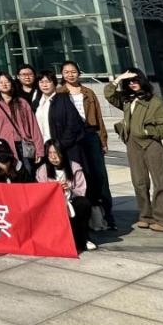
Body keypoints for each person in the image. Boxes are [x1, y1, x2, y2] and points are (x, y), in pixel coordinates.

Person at [105, 68, 163, 232]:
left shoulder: (154, 102)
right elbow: (109, 94)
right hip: (133, 145)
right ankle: (146, 216)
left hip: (151, 144)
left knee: (161, 182)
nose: (132, 83)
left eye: (136, 80)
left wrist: (147, 132)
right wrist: (119, 79)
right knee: (139, 182)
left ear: (142, 80)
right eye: (129, 81)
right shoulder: (127, 100)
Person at [60, 60, 115, 230]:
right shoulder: (59, 93)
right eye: (67, 72)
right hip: (71, 136)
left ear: (79, 73)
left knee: (99, 175)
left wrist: (103, 140)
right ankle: (84, 216)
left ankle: (107, 215)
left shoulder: (88, 93)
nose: (70, 75)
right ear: (62, 74)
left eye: (73, 71)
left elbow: (99, 118)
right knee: (79, 174)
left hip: (90, 133)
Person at [37, 140, 95, 251]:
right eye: (50, 153)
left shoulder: (74, 167)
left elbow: (81, 191)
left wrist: (69, 190)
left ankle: (83, 238)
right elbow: (40, 192)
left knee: (83, 203)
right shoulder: (43, 170)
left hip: (71, 201)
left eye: (56, 153)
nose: (53, 157)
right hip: (51, 204)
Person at [0, 72, 44, 179]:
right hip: (4, 148)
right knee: (10, 177)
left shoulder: (22, 102)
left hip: (23, 145)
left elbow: (33, 126)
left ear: (12, 83)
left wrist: (39, 150)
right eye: (1, 82)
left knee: (28, 174)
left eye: (7, 81)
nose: (4, 84)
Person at [35, 70, 87, 168]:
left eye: (48, 81)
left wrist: (59, 145)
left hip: (64, 148)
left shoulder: (63, 99)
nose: (44, 85)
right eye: (41, 82)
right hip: (46, 149)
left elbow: (73, 123)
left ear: (54, 83)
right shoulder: (37, 103)